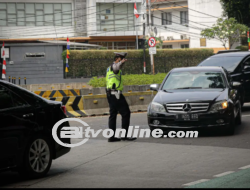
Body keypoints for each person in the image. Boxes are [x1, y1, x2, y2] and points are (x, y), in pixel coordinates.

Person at [106, 52, 137, 142]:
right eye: (121, 58)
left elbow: (117, 69)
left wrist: (121, 63)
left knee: (113, 114)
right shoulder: (113, 66)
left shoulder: (109, 68)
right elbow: (116, 68)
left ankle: (111, 137)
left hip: (110, 94)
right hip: (115, 94)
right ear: (117, 59)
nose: (123, 60)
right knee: (126, 113)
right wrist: (121, 62)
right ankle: (124, 135)